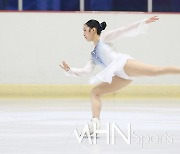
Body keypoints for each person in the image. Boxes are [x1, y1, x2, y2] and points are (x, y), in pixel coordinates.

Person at [60, 16, 180, 136]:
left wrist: (143, 22)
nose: (83, 33)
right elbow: (86, 70)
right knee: (95, 92)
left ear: (93, 30)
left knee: (156, 71)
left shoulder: (104, 38)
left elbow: (123, 30)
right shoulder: (94, 54)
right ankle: (95, 123)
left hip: (123, 65)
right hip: (119, 76)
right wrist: (70, 70)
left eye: (85, 30)